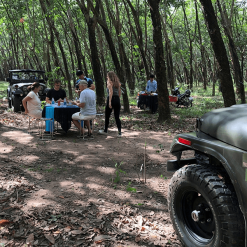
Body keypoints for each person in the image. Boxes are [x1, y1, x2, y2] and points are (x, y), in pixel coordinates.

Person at [99, 71, 122, 137]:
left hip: (111, 99)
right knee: (117, 117)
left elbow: (110, 92)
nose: (106, 77)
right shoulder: (118, 83)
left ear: (109, 76)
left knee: (107, 116)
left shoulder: (109, 83)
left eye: (107, 76)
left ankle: (105, 130)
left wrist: (109, 102)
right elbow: (119, 92)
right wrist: (117, 99)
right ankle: (119, 132)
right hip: (117, 99)